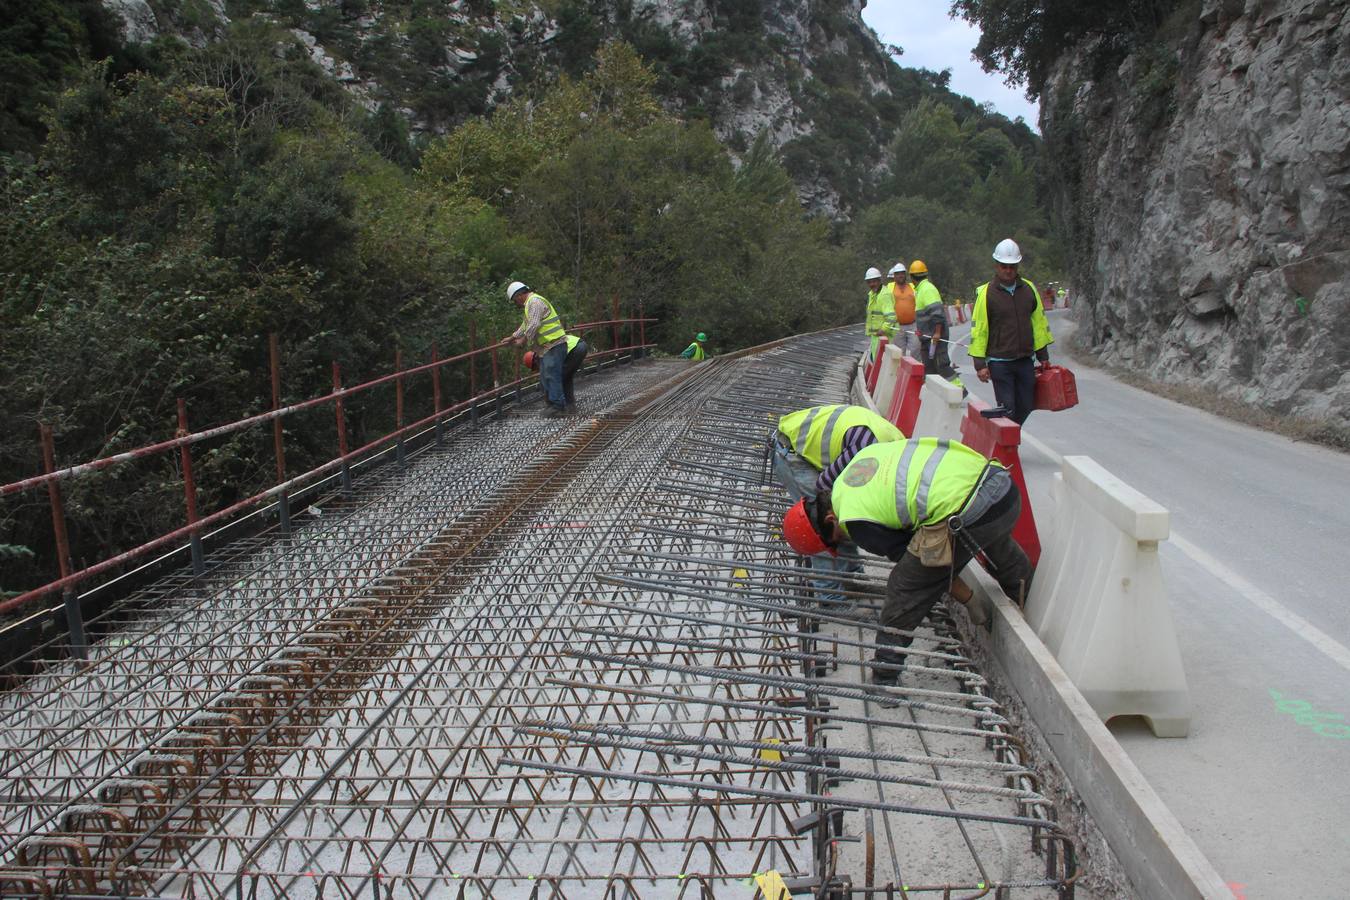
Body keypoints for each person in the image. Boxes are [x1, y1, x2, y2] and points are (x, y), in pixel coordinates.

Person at [782, 438, 1032, 685]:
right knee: (990, 540)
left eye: (835, 540)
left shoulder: (853, 518)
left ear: (829, 520)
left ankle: (884, 676)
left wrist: (968, 599)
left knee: (904, 587)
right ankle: (1025, 598)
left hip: (971, 511)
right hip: (1002, 490)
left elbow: (922, 571)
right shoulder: (855, 470)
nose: (843, 541)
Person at [771, 404, 902, 604]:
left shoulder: (895, 452)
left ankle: (850, 578)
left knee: (846, 519)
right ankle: (830, 598)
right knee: (821, 527)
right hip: (794, 456)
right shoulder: (866, 454)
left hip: (808, 449)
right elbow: (824, 484)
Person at [969, 239, 1054, 425]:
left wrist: (1043, 355)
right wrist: (979, 364)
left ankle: (1007, 438)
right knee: (1007, 408)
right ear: (996, 266)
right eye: (1004, 266)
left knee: (1026, 404)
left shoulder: (1029, 290)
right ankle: (1008, 446)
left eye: (1012, 266)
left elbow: (1038, 324)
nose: (1008, 270)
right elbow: (980, 330)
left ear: (1017, 266)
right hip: (999, 362)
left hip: (1025, 360)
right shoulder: (986, 294)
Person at [504, 280, 571, 417]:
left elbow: (534, 324)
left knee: (552, 375)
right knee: (546, 375)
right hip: (548, 346)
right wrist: (512, 337)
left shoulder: (534, 302)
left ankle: (559, 407)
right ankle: (554, 405)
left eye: (515, 300)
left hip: (554, 344)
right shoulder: (530, 304)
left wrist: (523, 340)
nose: (516, 304)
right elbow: (525, 325)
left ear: (519, 295)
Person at [525, 333, 589, 412]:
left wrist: (549, 402)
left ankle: (556, 407)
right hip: (581, 346)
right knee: (566, 377)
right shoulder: (544, 347)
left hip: (575, 349)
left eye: (535, 367)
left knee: (555, 378)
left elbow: (550, 379)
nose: (538, 369)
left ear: (535, 360)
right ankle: (570, 405)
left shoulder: (542, 353)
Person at [910, 260, 950, 376]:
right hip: (927, 338)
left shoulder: (927, 289)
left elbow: (937, 313)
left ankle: (959, 392)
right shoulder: (921, 290)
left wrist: (937, 333)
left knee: (942, 367)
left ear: (912, 277)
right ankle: (938, 393)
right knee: (929, 371)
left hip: (935, 338)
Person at [863, 267, 895, 359]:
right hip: (875, 337)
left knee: (880, 364)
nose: (872, 284)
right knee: (875, 361)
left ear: (879, 280)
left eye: (874, 281)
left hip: (884, 338)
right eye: (869, 282)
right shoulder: (872, 294)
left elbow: (891, 317)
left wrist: (883, 329)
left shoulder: (884, 295)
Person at [888, 263, 918, 357]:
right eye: (897, 274)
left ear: (905, 275)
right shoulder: (889, 288)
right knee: (899, 353)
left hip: (913, 325)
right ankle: (901, 371)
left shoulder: (913, 287)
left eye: (902, 273)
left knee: (916, 348)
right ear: (894, 276)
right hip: (897, 327)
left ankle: (915, 370)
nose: (900, 276)